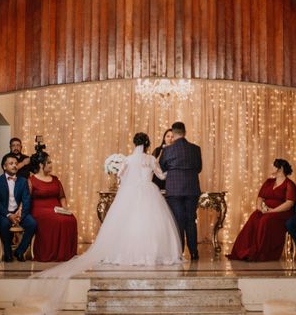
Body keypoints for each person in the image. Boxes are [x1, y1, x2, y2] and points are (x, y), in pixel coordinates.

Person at [28, 132, 183, 299]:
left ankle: (126, 254)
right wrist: (174, 170)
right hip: (149, 192)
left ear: (134, 143)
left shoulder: (128, 160)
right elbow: (161, 175)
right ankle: (152, 254)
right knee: (151, 225)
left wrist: (125, 181)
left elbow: (120, 178)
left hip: (131, 194)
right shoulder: (151, 160)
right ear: (147, 144)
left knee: (128, 224)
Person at [226, 158, 296, 261]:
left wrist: (272, 210)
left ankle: (259, 253)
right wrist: (259, 207)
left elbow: (289, 203)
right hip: (266, 210)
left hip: (282, 213)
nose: (272, 169)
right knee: (253, 218)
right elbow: (260, 197)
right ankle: (245, 250)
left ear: (280, 169)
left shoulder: (289, 184)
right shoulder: (269, 182)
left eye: (275, 167)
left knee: (265, 220)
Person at [159, 122, 202, 261]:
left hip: (174, 189)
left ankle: (179, 252)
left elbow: (162, 167)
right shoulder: (195, 149)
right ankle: (194, 252)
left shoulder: (167, 150)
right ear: (185, 132)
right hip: (191, 189)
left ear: (174, 133)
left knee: (177, 220)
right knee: (191, 220)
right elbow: (199, 168)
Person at [28, 151, 78, 262]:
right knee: (58, 220)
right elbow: (27, 199)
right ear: (41, 165)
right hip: (39, 210)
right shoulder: (31, 180)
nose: (51, 165)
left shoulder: (55, 179)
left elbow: (62, 196)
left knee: (71, 219)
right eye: (49, 162)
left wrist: (65, 208)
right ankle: (53, 254)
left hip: (56, 208)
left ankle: (68, 254)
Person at [0, 153, 37, 262]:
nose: (15, 165)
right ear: (4, 166)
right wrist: (8, 215)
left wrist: (21, 215)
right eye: (11, 163)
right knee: (4, 223)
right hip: (4, 213)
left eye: (16, 163)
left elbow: (26, 200)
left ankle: (20, 251)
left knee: (32, 223)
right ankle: (7, 252)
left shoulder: (22, 181)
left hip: (19, 212)